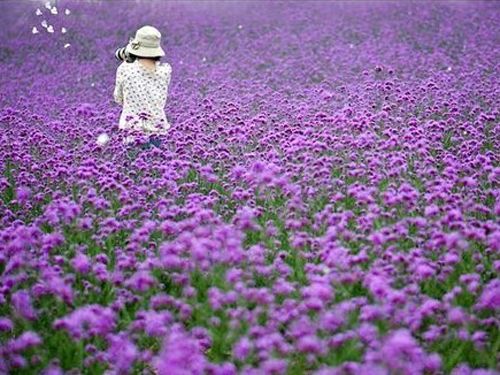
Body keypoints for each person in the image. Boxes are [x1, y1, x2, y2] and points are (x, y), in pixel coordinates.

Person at [113, 25, 172, 150]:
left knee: (132, 164)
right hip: (158, 131)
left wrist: (128, 60)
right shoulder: (165, 71)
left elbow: (118, 98)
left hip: (132, 131)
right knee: (156, 167)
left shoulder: (125, 69)